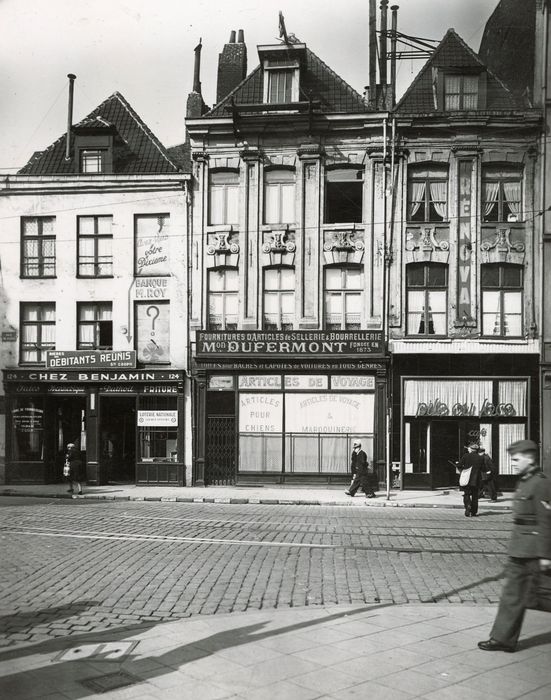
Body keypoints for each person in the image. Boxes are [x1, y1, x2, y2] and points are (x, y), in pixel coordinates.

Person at [478, 439, 551, 653]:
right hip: (520, 547)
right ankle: (503, 639)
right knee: (514, 593)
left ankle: (503, 639)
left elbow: (546, 521)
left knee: (536, 595)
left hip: (534, 550)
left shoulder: (541, 483)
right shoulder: (526, 481)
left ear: (530, 458)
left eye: (517, 459)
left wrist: (546, 555)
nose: (513, 464)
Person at [457, 442, 484, 517]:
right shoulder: (480, 457)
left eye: (468, 448)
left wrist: (462, 469)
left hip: (467, 479)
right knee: (475, 496)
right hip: (476, 480)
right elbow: (483, 468)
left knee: (467, 494)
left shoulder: (466, 456)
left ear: (471, 449)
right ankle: (474, 512)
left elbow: (459, 465)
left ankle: (468, 506)